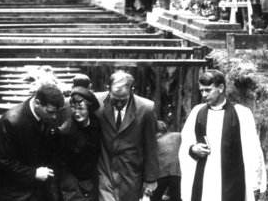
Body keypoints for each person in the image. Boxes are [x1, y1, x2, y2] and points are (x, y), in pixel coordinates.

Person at [179, 70, 266, 201]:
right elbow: (186, 142)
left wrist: (255, 183)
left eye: (208, 90)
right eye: (202, 91)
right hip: (205, 180)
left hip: (232, 181)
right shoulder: (197, 112)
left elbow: (253, 150)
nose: (204, 95)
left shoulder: (242, 114)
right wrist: (193, 149)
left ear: (221, 88)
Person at [0, 82, 65, 201]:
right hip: (10, 190)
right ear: (37, 103)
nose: (54, 117)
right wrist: (33, 173)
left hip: (33, 186)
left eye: (56, 112)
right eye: (50, 112)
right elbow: (3, 161)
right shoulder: (10, 122)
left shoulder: (44, 115)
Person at [94, 71, 159, 201]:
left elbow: (151, 145)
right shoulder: (96, 103)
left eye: (123, 100)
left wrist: (151, 178)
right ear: (108, 89)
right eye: (115, 99)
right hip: (104, 169)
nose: (118, 104)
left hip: (131, 173)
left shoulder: (146, 108)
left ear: (132, 90)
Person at [56, 87, 101, 201]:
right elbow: (61, 164)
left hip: (92, 181)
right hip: (74, 184)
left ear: (89, 109)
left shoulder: (96, 124)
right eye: (74, 108)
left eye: (81, 108)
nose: (77, 112)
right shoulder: (66, 131)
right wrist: (70, 188)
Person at [150, 120, 182, 201]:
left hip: (161, 174)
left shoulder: (153, 142)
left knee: (155, 198)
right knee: (176, 198)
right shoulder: (178, 136)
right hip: (176, 172)